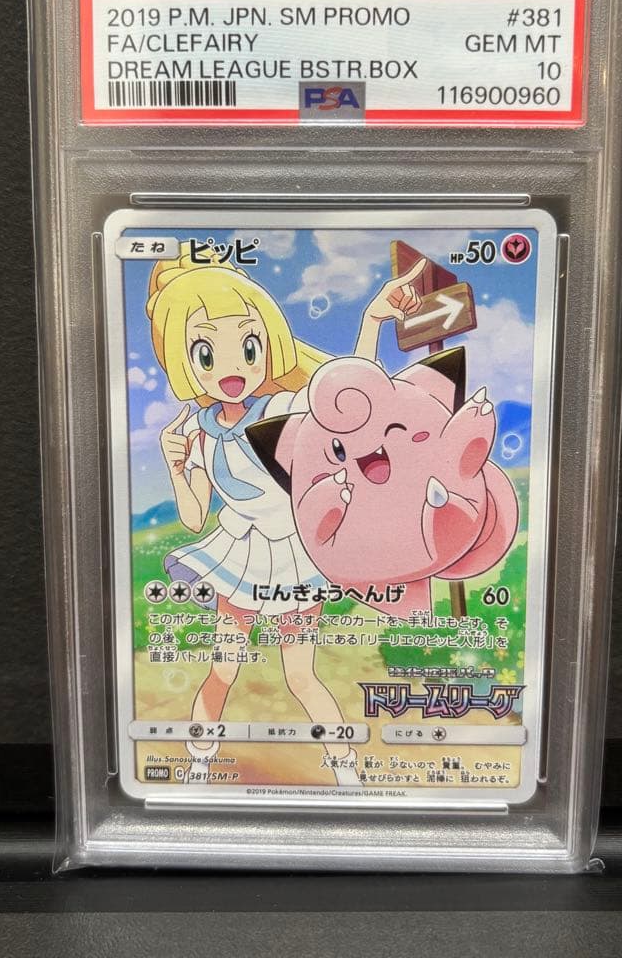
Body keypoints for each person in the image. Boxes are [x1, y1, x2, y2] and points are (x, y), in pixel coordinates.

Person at [146, 246, 423, 784]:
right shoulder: (199, 432)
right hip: (242, 558)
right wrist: (176, 466)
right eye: (206, 352)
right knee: (223, 668)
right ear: (183, 360)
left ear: (267, 344)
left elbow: (350, 401)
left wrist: (372, 320)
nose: (232, 368)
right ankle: (199, 765)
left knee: (300, 675)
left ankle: (345, 771)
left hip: (295, 559)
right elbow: (195, 517)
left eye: (248, 346)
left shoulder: (280, 409)